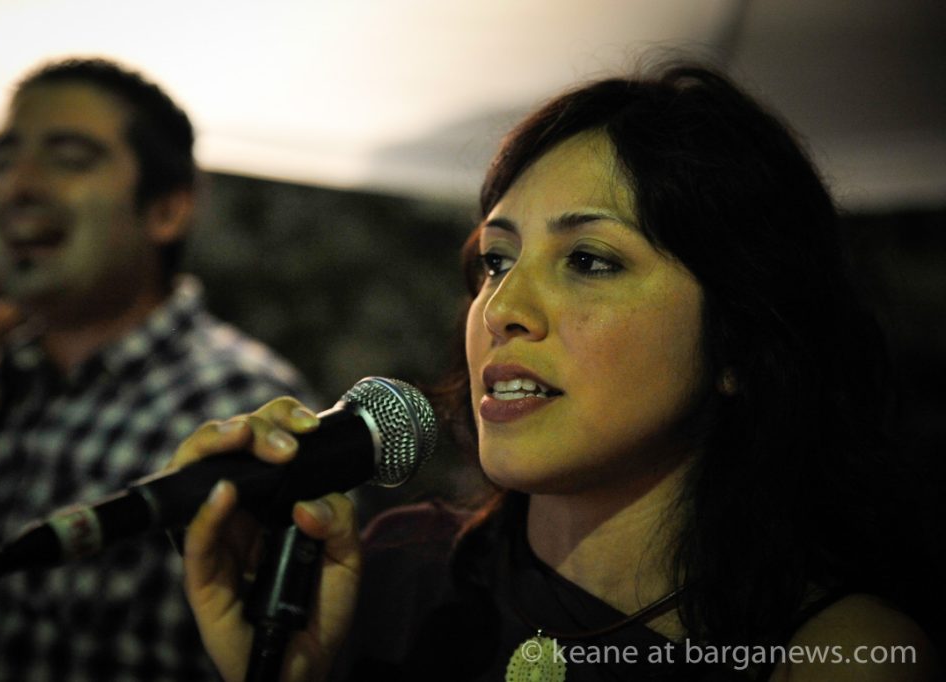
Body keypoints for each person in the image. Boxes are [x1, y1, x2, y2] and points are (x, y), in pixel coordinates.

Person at [171, 62, 941, 681]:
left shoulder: (838, 656)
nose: (503, 307)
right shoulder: (393, 570)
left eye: (589, 261)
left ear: (740, 341)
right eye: (496, 261)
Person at [0, 58, 316, 680]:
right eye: (0, 161)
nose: (16, 186)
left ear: (167, 210)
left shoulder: (242, 406)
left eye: (69, 159)